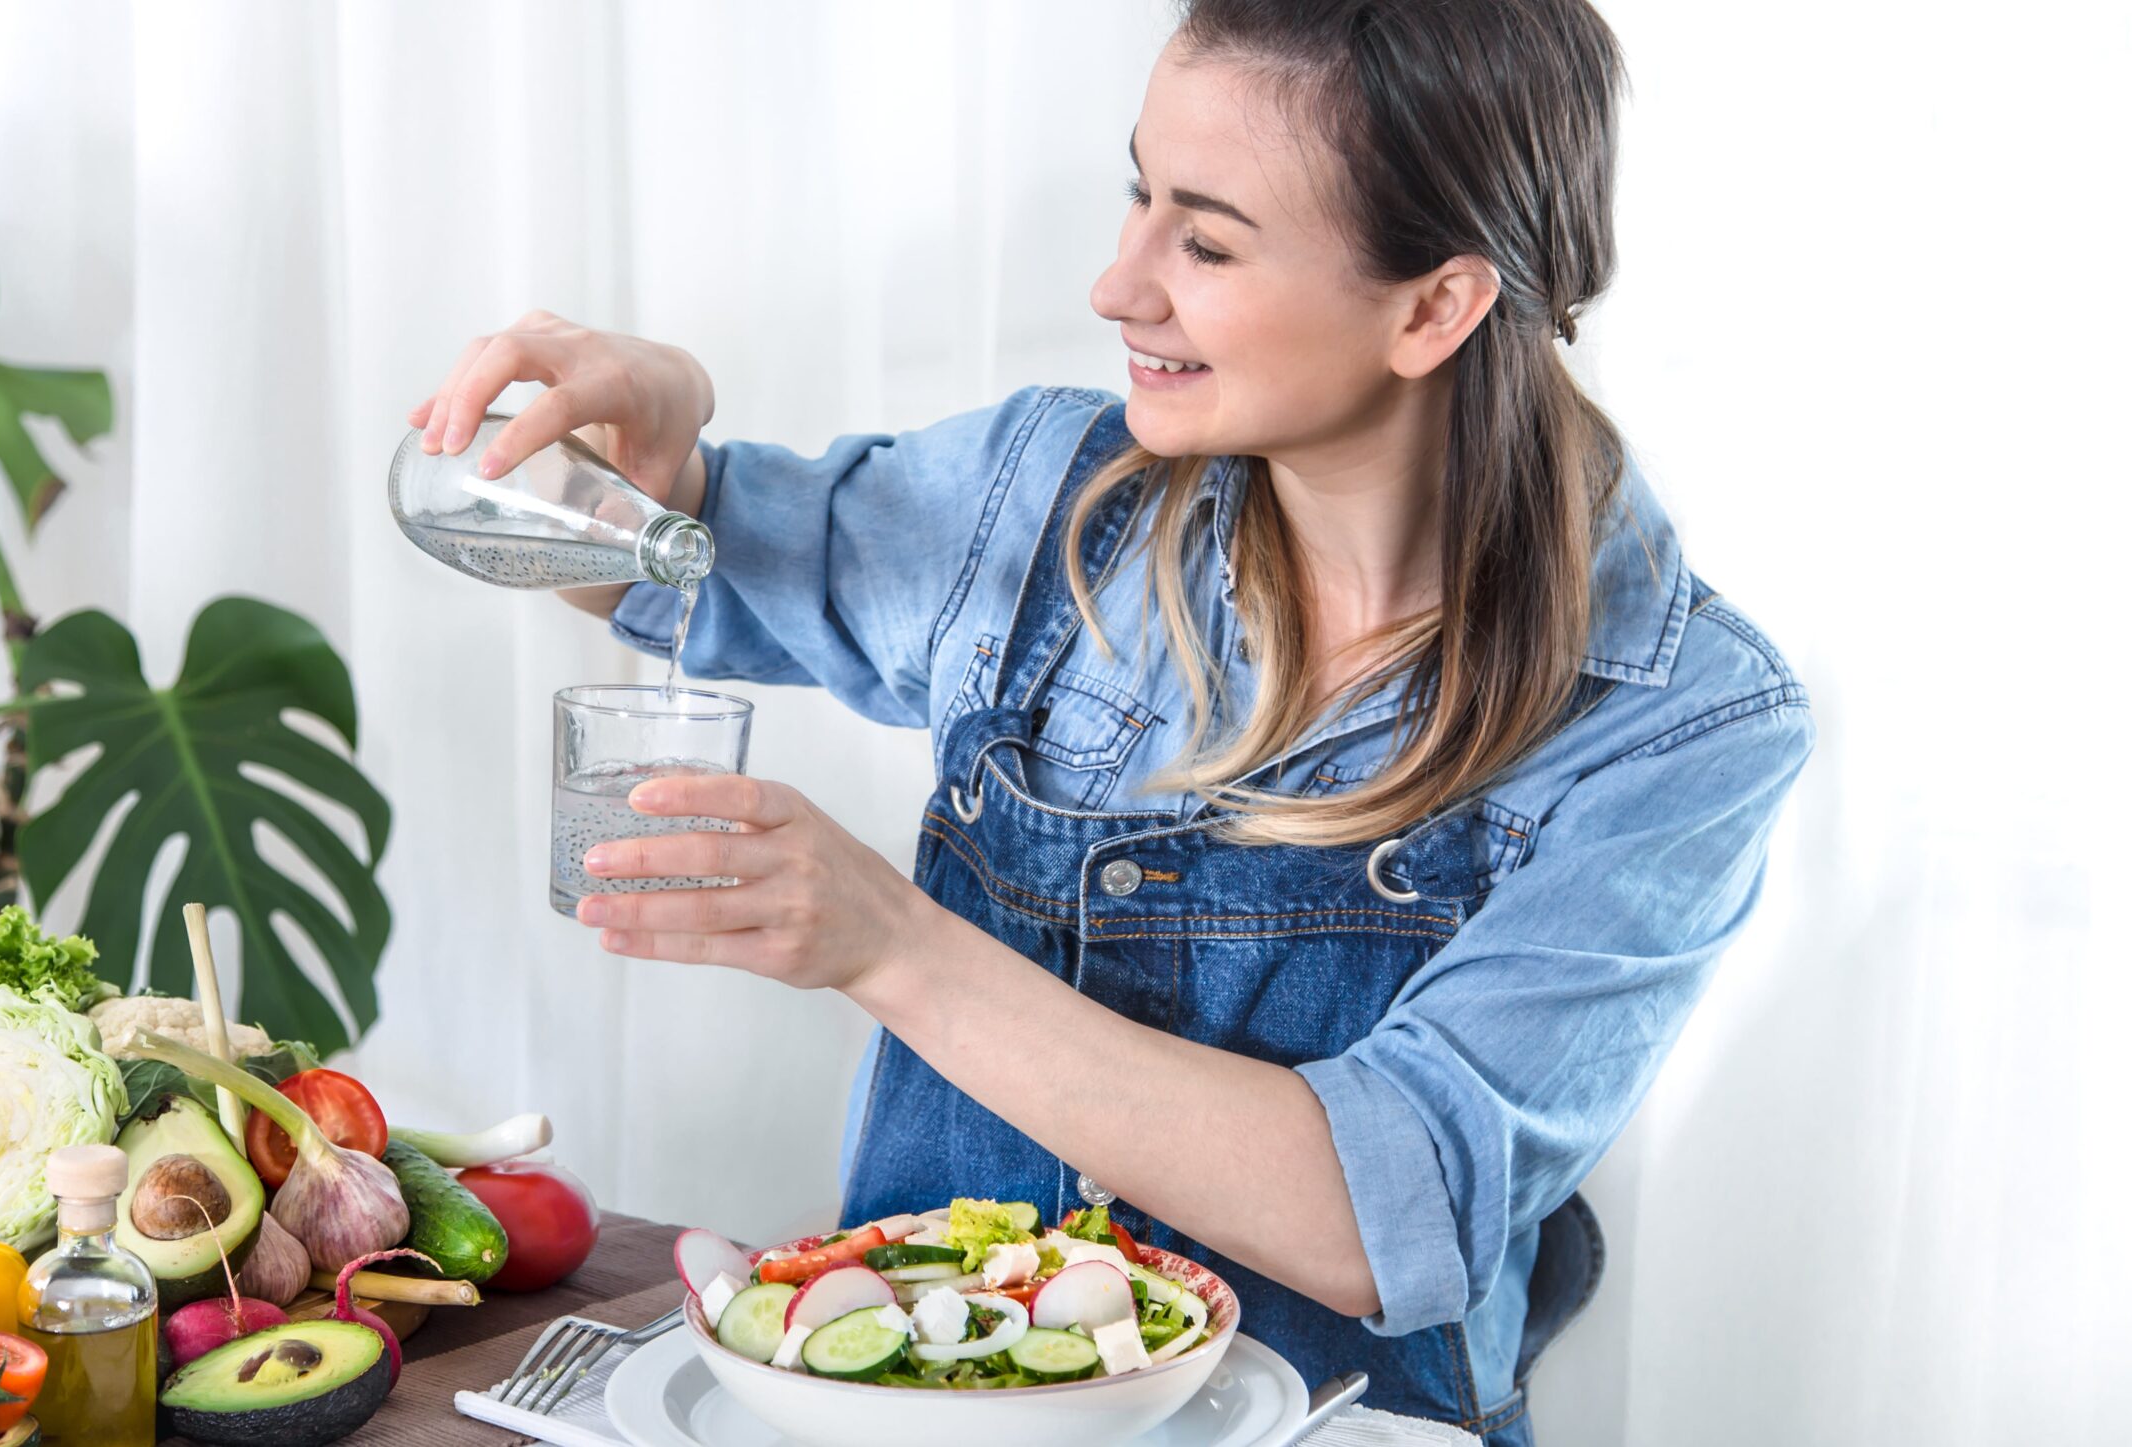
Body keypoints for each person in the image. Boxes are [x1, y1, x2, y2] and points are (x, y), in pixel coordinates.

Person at [409, 0, 1811, 1438]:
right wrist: (623, 474)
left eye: (1204, 242)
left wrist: (890, 947)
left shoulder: (1679, 723)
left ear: (1432, 308)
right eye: (1139, 193)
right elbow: (685, 576)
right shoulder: (1043, 501)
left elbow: (1394, 1212)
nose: (1116, 285)